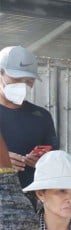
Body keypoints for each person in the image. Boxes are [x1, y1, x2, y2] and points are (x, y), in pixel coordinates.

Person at [0, 46, 59, 194]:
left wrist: (43, 163)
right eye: (17, 79)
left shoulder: (41, 116)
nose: (23, 85)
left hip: (27, 203)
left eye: (29, 81)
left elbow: (54, 160)